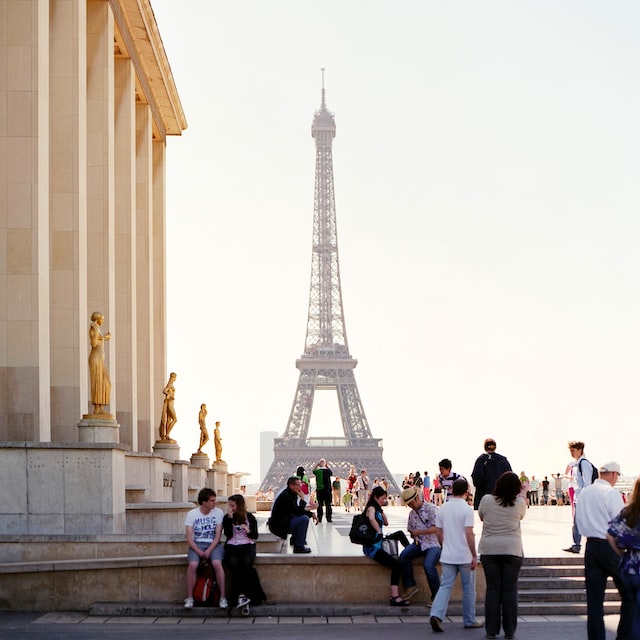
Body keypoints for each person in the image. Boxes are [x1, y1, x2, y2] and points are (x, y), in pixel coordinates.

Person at [575, 461, 634, 640]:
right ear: (614, 474)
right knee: (629, 595)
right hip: (610, 547)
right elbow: (620, 525)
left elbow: (578, 521)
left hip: (591, 547)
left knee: (594, 602)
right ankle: (624, 636)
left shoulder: (584, 493)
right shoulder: (611, 493)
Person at [429, 478, 482, 632]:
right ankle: (469, 620)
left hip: (448, 554)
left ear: (451, 490)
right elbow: (469, 534)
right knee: (468, 589)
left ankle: (436, 614)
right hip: (464, 555)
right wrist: (473, 554)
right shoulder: (466, 509)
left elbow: (438, 532)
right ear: (466, 491)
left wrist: (445, 545)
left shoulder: (443, 508)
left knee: (445, 586)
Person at [478, 471, 527, 639]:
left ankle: (491, 629)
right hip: (512, 550)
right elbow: (522, 515)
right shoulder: (519, 503)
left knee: (492, 589)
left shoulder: (486, 500)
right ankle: (510, 629)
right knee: (509, 590)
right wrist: (524, 493)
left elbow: (481, 517)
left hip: (489, 550)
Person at [362, 486, 411, 606]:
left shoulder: (376, 508)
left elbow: (386, 522)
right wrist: (379, 531)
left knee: (399, 534)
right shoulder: (371, 508)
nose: (384, 501)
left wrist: (382, 511)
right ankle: (394, 596)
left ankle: (409, 550)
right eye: (382, 498)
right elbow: (372, 519)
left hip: (377, 543)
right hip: (372, 547)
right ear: (375, 497)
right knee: (396, 565)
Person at [183, 488, 227, 609]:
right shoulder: (192, 514)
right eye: (212, 500)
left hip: (213, 544)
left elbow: (218, 535)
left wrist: (208, 550)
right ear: (204, 502)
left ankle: (223, 597)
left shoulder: (218, 513)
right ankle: (190, 597)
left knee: (217, 564)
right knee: (192, 565)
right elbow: (189, 537)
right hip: (197, 544)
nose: (215, 503)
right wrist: (199, 551)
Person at [607, 475, 640, 639]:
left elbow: (610, 534)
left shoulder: (629, 512)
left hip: (629, 567)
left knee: (631, 608)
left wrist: (621, 553)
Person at [398, 485, 441, 602]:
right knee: (403, 557)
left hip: (433, 544)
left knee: (428, 565)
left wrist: (420, 532)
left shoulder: (432, 509)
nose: (410, 506)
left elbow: (436, 528)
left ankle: (437, 597)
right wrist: (413, 534)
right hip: (419, 543)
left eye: (411, 503)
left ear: (417, 498)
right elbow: (410, 529)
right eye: (409, 505)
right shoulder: (412, 514)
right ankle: (410, 585)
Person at [223, 493, 266, 608]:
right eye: (229, 505)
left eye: (233, 506)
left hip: (247, 544)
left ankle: (241, 596)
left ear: (239, 505)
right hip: (232, 545)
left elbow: (255, 536)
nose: (230, 508)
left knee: (246, 563)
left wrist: (248, 530)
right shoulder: (227, 518)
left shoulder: (250, 517)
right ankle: (242, 596)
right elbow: (228, 534)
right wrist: (230, 520)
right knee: (233, 563)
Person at [268, 476, 317, 553]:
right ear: (291, 485)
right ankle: (299, 546)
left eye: (300, 485)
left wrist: (311, 514)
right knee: (304, 519)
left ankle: (295, 540)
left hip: (282, 523)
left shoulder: (290, 494)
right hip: (279, 526)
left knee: (301, 517)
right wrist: (302, 499)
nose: (300, 487)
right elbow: (298, 512)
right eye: (298, 485)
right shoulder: (286, 496)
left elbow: (296, 510)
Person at [564, 440, 597, 554]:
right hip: (579, 498)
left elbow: (587, 483)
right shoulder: (577, 464)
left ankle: (579, 545)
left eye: (573, 450)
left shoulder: (584, 464)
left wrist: (583, 499)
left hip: (582, 499)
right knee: (577, 523)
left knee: (581, 522)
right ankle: (576, 545)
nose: (572, 453)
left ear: (580, 450)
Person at [471, 438, 512, 510]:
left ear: (485, 447)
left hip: (484, 497)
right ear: (495, 447)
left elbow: (477, 476)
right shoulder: (503, 460)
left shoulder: (481, 459)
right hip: (501, 498)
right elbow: (510, 477)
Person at [88, 312, 111, 414]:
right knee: (97, 382)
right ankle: (97, 408)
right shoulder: (93, 328)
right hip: (95, 358)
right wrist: (103, 337)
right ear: (97, 319)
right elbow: (93, 343)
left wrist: (104, 337)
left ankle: (100, 406)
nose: (103, 321)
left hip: (100, 359)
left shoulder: (97, 328)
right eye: (102, 319)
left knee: (106, 383)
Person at [312, 458, 333, 523]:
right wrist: (326, 465)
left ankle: (320, 518)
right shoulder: (328, 471)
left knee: (320, 504)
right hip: (327, 490)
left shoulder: (317, 471)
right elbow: (331, 472)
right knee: (328, 504)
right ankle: (329, 518)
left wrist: (317, 465)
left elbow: (313, 470)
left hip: (320, 490)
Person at [158, 372, 177, 441]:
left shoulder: (170, 384)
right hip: (170, 403)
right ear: (174, 377)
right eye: (175, 377)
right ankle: (167, 434)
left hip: (171, 402)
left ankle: (167, 435)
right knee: (175, 419)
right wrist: (169, 394)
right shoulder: (170, 384)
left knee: (168, 420)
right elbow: (164, 391)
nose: (175, 379)